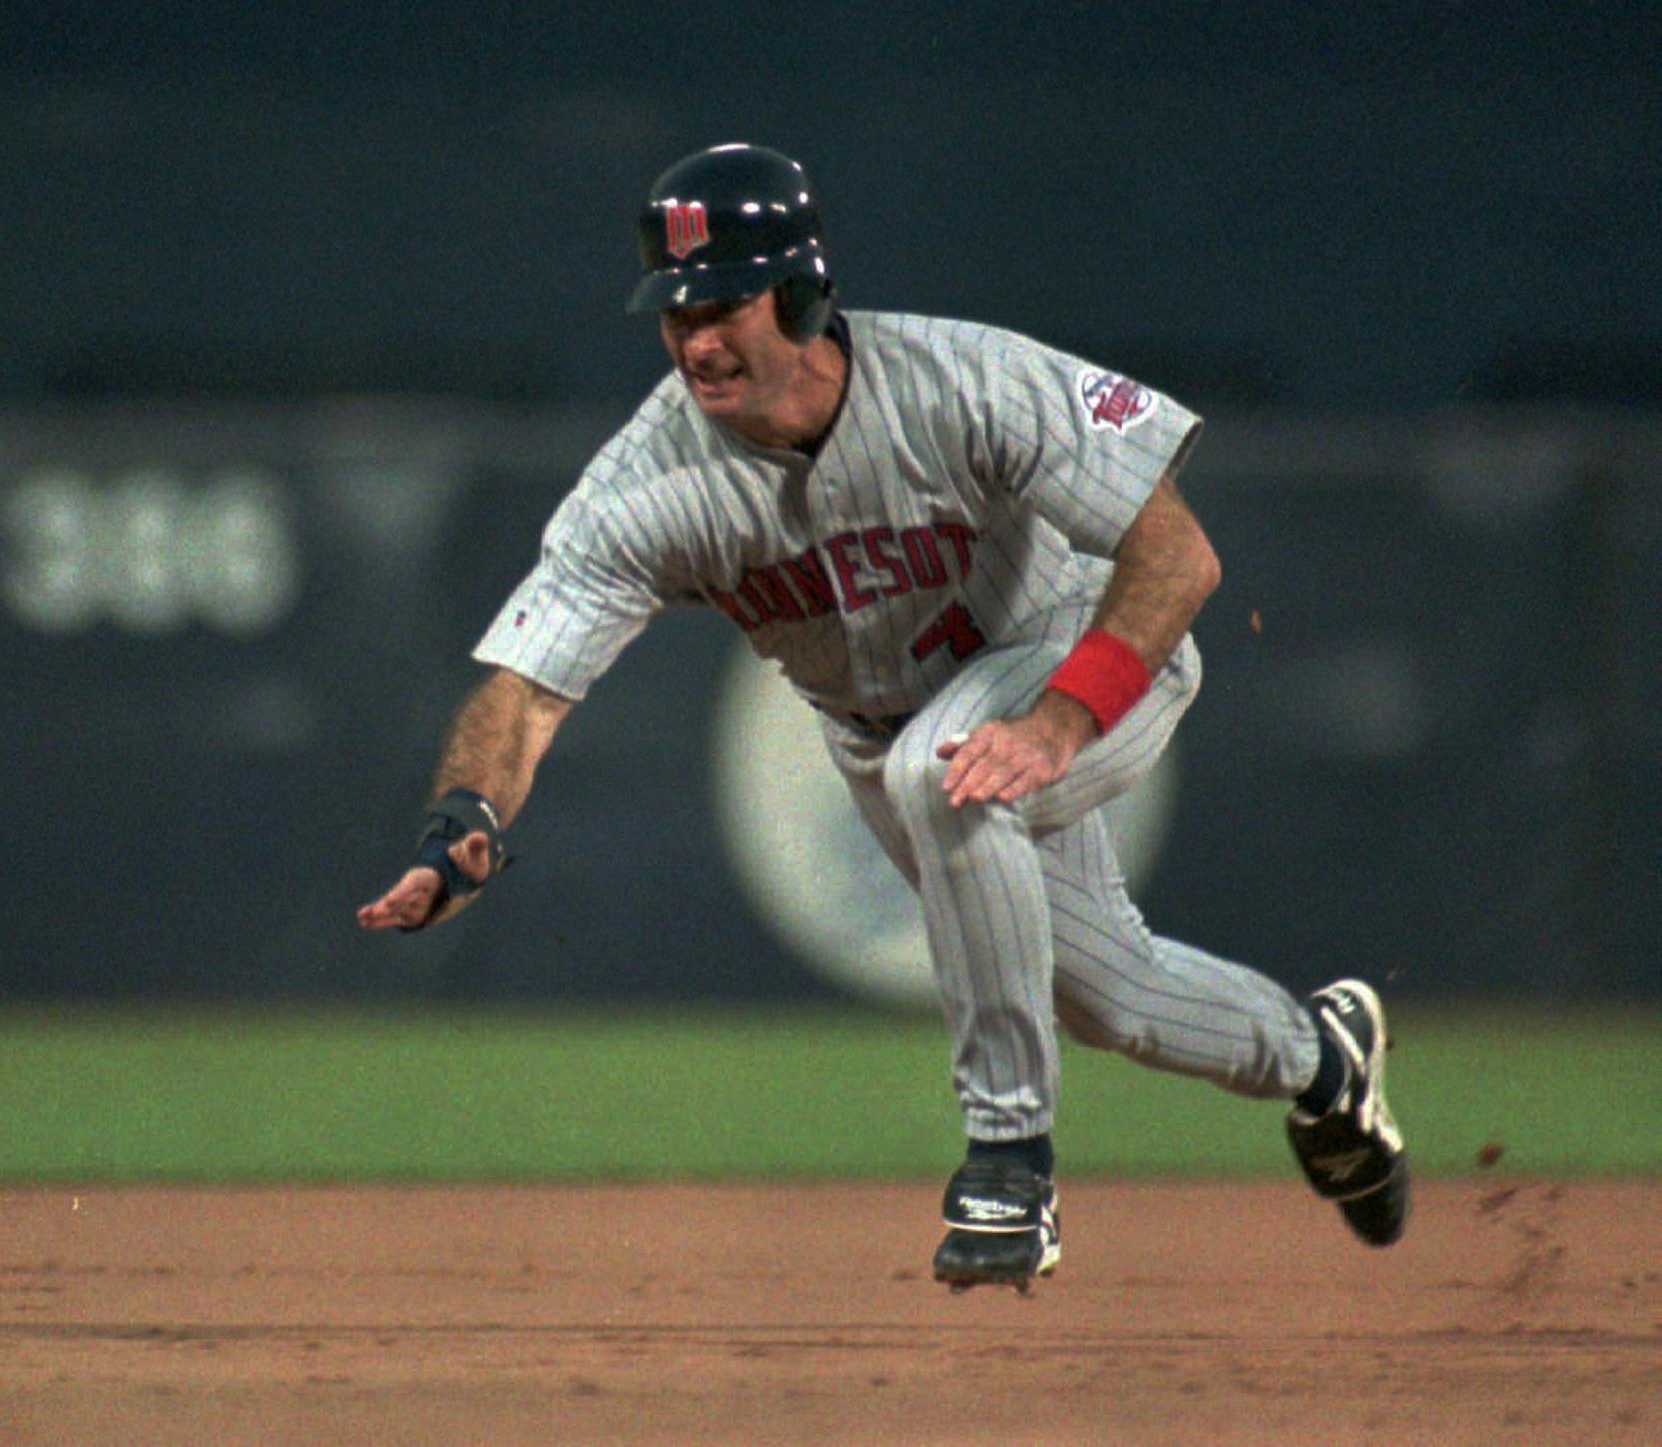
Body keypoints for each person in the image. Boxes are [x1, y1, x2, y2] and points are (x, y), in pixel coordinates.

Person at [357, 142, 1408, 1290]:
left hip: (1080, 659)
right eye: (674, 309)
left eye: (724, 302)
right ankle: (1323, 1059)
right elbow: (525, 683)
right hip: (879, 725)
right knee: (1114, 995)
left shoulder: (962, 381)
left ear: (804, 294)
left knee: (939, 769)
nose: (697, 338)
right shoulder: (649, 484)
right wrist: (462, 817)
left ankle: (1009, 1158)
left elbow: (1176, 553)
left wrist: (1058, 722)